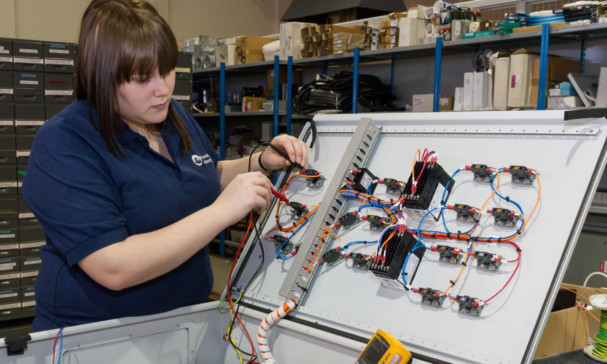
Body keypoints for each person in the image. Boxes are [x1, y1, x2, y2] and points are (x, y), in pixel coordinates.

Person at [22, 0, 308, 332]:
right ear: (103, 77)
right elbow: (113, 267)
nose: (163, 89)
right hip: (97, 337)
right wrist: (222, 212)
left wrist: (258, 162)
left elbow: (201, 177)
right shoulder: (65, 142)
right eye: (143, 78)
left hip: (185, 323)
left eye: (167, 70)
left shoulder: (171, 116)